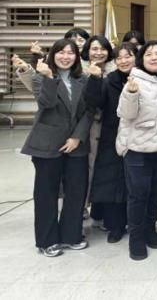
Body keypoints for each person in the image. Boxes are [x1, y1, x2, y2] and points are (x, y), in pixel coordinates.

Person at [21, 39, 93, 257]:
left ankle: (71, 235)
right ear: (52, 55)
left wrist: (77, 137)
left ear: (76, 57)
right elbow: (47, 103)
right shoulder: (41, 77)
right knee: (46, 193)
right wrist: (49, 78)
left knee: (76, 191)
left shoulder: (83, 79)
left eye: (70, 53)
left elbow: (89, 111)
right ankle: (47, 240)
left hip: (75, 144)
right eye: (61, 52)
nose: (65, 56)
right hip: (47, 143)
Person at [117, 40, 157, 261]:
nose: (154, 58)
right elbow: (125, 113)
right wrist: (131, 93)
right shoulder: (134, 80)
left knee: (155, 192)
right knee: (138, 195)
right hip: (138, 148)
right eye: (149, 54)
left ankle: (150, 229)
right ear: (141, 58)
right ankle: (136, 238)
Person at [83, 42, 138, 243]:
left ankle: (136, 223)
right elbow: (93, 102)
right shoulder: (109, 80)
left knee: (135, 183)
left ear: (136, 57)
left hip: (139, 137)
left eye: (128, 56)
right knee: (113, 184)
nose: (123, 61)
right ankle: (116, 226)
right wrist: (95, 79)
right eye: (119, 58)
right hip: (112, 137)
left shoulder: (144, 78)